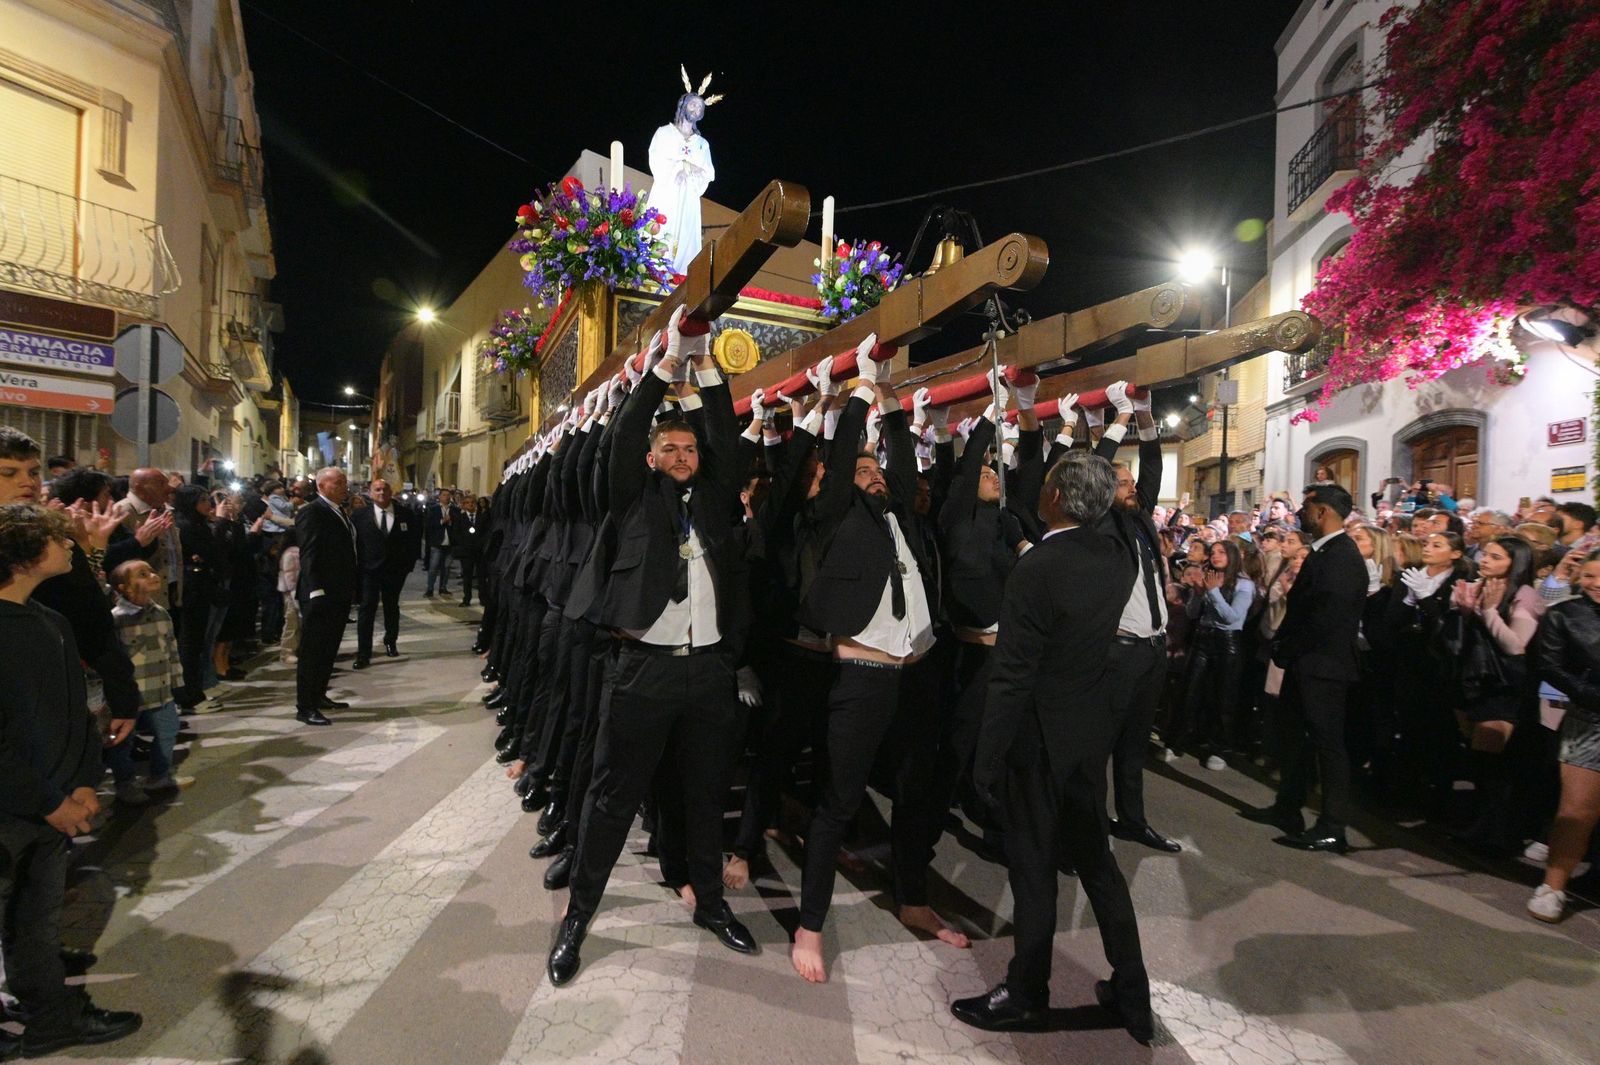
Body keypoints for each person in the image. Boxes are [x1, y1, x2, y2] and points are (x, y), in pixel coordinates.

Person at [548, 308, 755, 987]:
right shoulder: (631, 497)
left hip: (708, 672)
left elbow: (726, 439)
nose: (681, 457)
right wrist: (665, 366)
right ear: (650, 458)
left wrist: (710, 373)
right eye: (669, 449)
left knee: (703, 793)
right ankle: (578, 917)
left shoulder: (717, 500)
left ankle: (712, 904)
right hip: (643, 671)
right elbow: (624, 435)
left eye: (687, 450)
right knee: (612, 798)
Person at [951, 452, 1151, 1043]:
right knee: (1098, 866)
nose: (1036, 491)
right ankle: (1133, 994)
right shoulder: (1118, 558)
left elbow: (1011, 676)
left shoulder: (1037, 568)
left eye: (1045, 485)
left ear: (1058, 498)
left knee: (1034, 871)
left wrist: (984, 762)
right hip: (1087, 735)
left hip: (1037, 740)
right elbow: (1117, 517)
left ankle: (1026, 993)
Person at [789, 341, 936, 983]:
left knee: (916, 796)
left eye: (878, 472)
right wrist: (856, 393)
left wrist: (893, 406)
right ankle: (809, 927)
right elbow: (846, 457)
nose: (874, 476)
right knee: (839, 802)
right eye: (863, 470)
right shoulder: (833, 517)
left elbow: (900, 469)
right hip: (863, 677)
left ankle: (913, 898)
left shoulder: (897, 515)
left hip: (915, 676)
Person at [0, 504, 143, 1058]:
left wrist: (85, 783)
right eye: (62, 541)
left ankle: (49, 1017)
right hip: (18, 807)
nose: (72, 547)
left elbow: (77, 713)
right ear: (28, 555)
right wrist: (50, 801)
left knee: (36, 920)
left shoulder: (51, 620)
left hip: (58, 800)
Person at [1242, 482, 1367, 853]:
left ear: (1323, 512)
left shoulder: (1342, 556)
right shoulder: (1325, 553)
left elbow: (1325, 618)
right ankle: (1287, 808)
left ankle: (1332, 826)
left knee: (1328, 746)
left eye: (1308, 509)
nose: (1301, 514)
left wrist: (1289, 647)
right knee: (1293, 739)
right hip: (1305, 662)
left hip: (1323, 667)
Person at [1092, 383, 1182, 852]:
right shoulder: (1099, 523)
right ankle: (1085, 832)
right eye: (1122, 484)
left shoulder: (1141, 519)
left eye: (1129, 484)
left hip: (1152, 650)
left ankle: (1131, 819)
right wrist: (1119, 420)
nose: (1132, 490)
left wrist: (1146, 419)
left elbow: (1152, 470)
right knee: (1098, 745)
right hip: (1118, 651)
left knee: (1133, 745)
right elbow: (1090, 470)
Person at [1528, 550, 1600, 922]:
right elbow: (1548, 665)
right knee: (1576, 811)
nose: (1597, 583)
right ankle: (1553, 886)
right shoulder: (1564, 614)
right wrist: (1588, 694)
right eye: (1589, 575)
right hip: (1590, 720)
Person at [103, 560, 188, 804]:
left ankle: (159, 775)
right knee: (122, 742)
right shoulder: (116, 619)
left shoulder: (161, 613)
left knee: (168, 731)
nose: (152, 575)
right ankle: (125, 782)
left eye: (152, 570)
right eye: (142, 574)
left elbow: (171, 648)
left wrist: (176, 680)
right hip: (130, 697)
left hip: (160, 691)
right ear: (124, 588)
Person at [1177, 538, 1256, 771]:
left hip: (1227, 642)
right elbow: (1192, 613)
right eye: (1213, 552)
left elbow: (1231, 617)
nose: (1215, 556)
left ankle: (1219, 748)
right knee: (1190, 689)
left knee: (1224, 696)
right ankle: (1178, 740)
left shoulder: (1244, 584)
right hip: (1203, 637)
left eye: (1222, 552)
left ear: (1232, 557)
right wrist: (1199, 594)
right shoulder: (1207, 578)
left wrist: (1213, 593)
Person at [294, 467, 357, 726]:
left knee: (328, 649)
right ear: (322, 485)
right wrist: (315, 589)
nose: (345, 486)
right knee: (313, 651)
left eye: (345, 482)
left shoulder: (338, 510)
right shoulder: (312, 511)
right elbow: (309, 554)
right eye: (339, 482)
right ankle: (305, 706)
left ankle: (319, 695)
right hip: (320, 593)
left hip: (338, 592)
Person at [351, 478, 420, 668]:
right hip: (368, 571)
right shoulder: (359, 515)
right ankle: (363, 653)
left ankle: (391, 642)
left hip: (394, 571)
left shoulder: (405, 514)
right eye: (377, 489)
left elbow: (414, 541)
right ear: (370, 493)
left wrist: (407, 566)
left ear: (391, 492)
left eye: (385, 489)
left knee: (391, 607)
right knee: (367, 609)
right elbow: (355, 544)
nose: (381, 493)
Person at [422, 488, 455, 598]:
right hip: (437, 543)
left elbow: (458, 525)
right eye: (444, 495)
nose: (447, 497)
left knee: (446, 567)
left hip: (449, 543)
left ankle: (443, 587)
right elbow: (429, 525)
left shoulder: (454, 510)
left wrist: (450, 523)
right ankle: (430, 588)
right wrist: (442, 521)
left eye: (448, 495)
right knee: (434, 567)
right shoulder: (433, 509)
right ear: (440, 497)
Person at [452, 494, 483, 606]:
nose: (470, 504)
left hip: (479, 551)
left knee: (481, 576)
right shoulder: (460, 518)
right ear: (464, 505)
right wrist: (464, 544)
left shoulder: (481, 517)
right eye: (468, 503)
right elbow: (456, 533)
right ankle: (467, 598)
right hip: (466, 552)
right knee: (467, 576)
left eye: (472, 503)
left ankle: (482, 598)